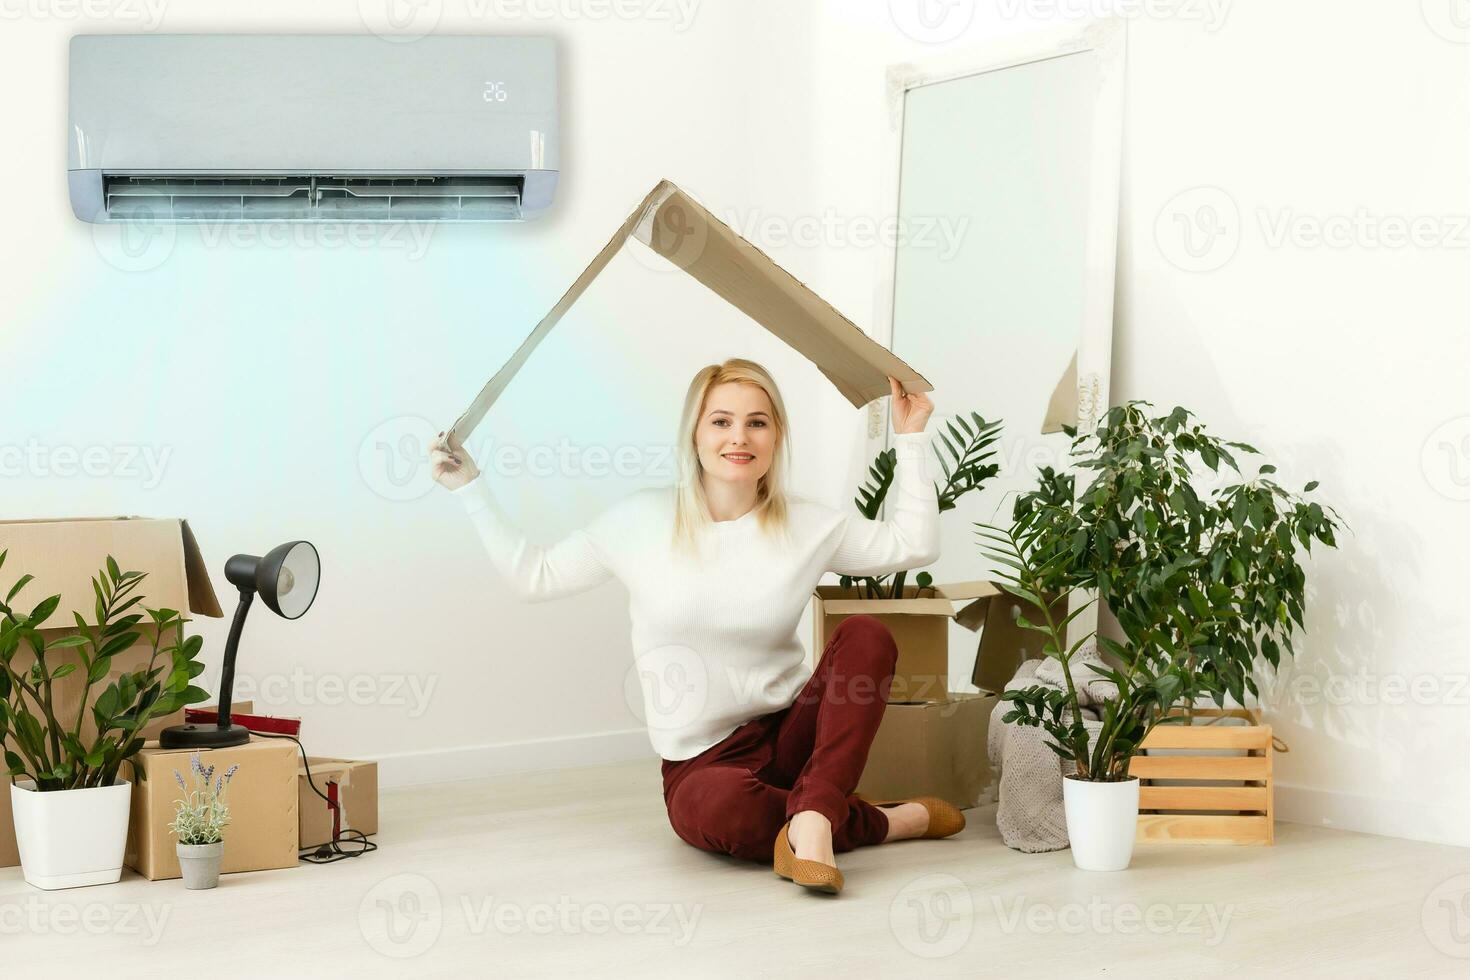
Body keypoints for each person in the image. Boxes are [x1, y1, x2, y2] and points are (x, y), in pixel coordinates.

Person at [429, 357, 964, 895]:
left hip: (791, 735)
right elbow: (535, 576)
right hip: (702, 761)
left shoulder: (808, 524)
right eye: (721, 421)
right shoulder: (640, 521)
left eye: (758, 421)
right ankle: (882, 821)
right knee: (725, 815)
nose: (740, 436)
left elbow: (914, 546)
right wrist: (469, 488)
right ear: (695, 434)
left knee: (868, 634)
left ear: (777, 435)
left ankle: (815, 817)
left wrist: (911, 437)